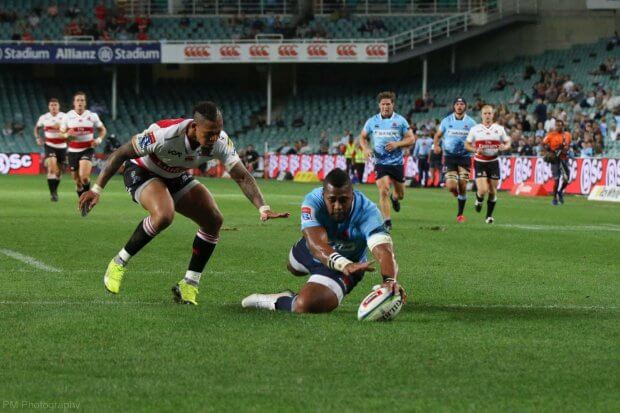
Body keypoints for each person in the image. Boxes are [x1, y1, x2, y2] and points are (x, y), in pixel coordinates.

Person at [78, 102, 289, 305]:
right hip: (142, 172)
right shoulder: (163, 134)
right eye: (210, 133)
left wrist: (263, 207)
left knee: (213, 220)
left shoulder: (220, 141)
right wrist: (97, 189)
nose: (215, 137)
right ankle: (118, 263)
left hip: (175, 175)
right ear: (194, 127)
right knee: (164, 215)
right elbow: (121, 153)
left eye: (218, 131)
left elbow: (242, 176)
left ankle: (189, 284)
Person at [241, 168, 405, 314]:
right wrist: (342, 263)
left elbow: (384, 251)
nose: (338, 206)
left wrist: (390, 281)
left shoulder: (368, 212)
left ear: (352, 195)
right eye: (332, 200)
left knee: (304, 305)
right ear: (323, 196)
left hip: (349, 266)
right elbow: (316, 246)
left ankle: (276, 301)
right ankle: (310, 269)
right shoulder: (313, 201)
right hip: (315, 250)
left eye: (343, 200)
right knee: (293, 267)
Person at [359, 91, 415, 231]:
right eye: (383, 104)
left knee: (400, 194)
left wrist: (397, 144)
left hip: (397, 163)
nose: (385, 107)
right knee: (383, 189)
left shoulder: (400, 121)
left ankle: (395, 199)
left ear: (393, 105)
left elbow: (411, 139)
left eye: (388, 104)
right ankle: (387, 221)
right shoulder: (372, 121)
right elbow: (362, 137)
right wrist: (365, 149)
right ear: (379, 105)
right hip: (380, 162)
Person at [464, 105, 511, 224]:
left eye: (489, 113)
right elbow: (467, 145)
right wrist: (475, 150)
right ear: (481, 115)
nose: (487, 116)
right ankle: (479, 200)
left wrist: (504, 147)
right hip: (480, 162)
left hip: (493, 162)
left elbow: (507, 142)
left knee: (492, 191)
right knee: (483, 189)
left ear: (493, 115)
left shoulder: (499, 129)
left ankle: (489, 216)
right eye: (485, 113)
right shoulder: (475, 129)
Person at [433, 97, 477, 222]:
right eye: (457, 104)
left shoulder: (471, 122)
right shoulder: (446, 121)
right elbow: (437, 136)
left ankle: (460, 214)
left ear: (465, 106)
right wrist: (436, 146)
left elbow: (477, 137)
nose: (459, 106)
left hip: (465, 156)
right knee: (451, 186)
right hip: (450, 157)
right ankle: (456, 193)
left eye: (462, 104)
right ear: (454, 106)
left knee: (463, 184)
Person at [61, 91, 106, 202]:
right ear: (74, 103)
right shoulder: (67, 116)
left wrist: (99, 139)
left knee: (84, 177)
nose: (80, 102)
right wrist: (67, 135)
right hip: (72, 151)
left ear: (85, 103)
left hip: (87, 149)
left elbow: (102, 129)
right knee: (77, 181)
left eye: (82, 100)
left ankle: (88, 200)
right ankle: (82, 198)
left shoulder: (92, 116)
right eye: (78, 100)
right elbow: (61, 133)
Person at [34, 98, 66, 201]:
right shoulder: (44, 117)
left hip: (62, 146)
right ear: (49, 107)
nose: (53, 107)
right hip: (49, 145)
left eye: (55, 105)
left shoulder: (64, 117)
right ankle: (53, 194)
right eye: (51, 105)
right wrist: (38, 138)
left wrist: (62, 127)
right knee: (52, 169)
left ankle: (54, 190)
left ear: (58, 106)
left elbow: (71, 129)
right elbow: (37, 128)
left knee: (59, 172)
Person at [543, 119, 572, 205]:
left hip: (563, 158)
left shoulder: (567, 135)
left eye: (560, 125)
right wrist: (548, 150)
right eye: (557, 125)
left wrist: (564, 149)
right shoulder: (551, 135)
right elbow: (543, 143)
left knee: (566, 179)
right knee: (557, 180)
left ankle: (560, 191)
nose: (558, 127)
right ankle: (554, 198)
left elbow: (568, 146)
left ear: (563, 126)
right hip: (555, 159)